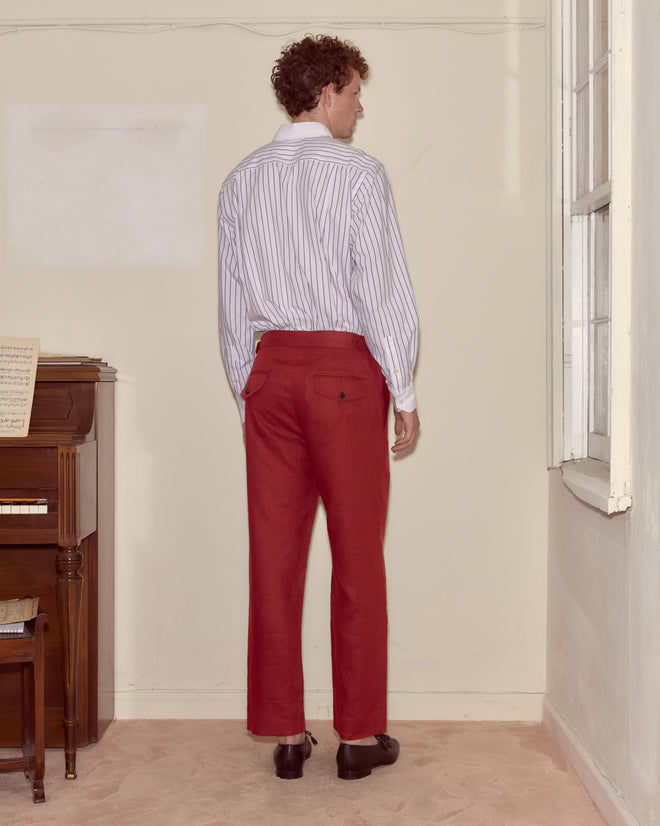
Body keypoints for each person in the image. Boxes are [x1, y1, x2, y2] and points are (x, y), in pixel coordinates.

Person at [217, 34, 420, 781]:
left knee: (274, 558)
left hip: (270, 373)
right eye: (358, 92)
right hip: (344, 371)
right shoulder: (360, 175)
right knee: (358, 558)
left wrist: (251, 385)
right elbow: (383, 290)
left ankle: (286, 732)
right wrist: (404, 389)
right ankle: (360, 737)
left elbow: (233, 305)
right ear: (329, 91)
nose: (361, 108)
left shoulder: (241, 181)